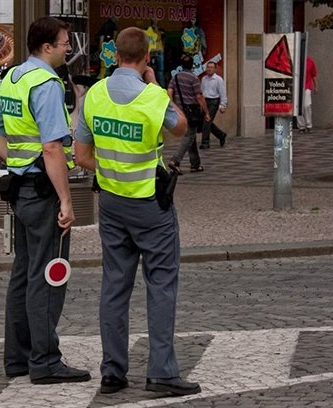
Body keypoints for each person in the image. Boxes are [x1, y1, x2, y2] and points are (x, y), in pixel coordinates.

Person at [75, 27, 201, 396]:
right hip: (149, 203)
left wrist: (112, 168)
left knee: (114, 286)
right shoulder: (152, 98)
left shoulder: (95, 95)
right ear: (146, 57)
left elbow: (82, 157)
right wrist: (158, 87)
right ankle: (161, 372)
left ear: (115, 56)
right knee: (161, 284)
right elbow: (181, 127)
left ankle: (112, 372)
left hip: (111, 204)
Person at [0, 16, 91, 385]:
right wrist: (66, 200)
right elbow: (53, 146)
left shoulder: (14, 77)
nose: (68, 48)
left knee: (24, 275)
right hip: (43, 192)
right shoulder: (45, 83)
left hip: (22, 189)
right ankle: (45, 361)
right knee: (49, 276)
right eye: (64, 43)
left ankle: (19, 358)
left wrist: (15, 160)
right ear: (47, 47)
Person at [168, 54, 210, 174]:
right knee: (189, 137)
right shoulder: (194, 78)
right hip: (192, 111)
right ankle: (175, 161)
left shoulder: (175, 77)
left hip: (179, 110)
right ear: (192, 65)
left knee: (191, 136)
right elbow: (199, 96)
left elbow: (169, 91)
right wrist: (206, 112)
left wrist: (173, 105)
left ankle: (195, 164)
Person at [200, 61, 227, 149]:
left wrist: (223, 105)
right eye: (208, 67)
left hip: (214, 101)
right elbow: (201, 91)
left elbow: (222, 93)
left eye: (211, 67)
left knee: (207, 121)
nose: (209, 69)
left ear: (215, 69)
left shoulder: (218, 79)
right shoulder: (204, 79)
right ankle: (221, 135)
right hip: (205, 101)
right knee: (205, 122)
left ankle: (205, 142)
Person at [297, 56, 318, 133]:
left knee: (307, 105)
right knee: (298, 106)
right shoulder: (295, 60)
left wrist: (316, 86)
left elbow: (314, 75)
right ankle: (301, 126)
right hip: (297, 87)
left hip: (307, 86)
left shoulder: (310, 61)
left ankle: (309, 125)